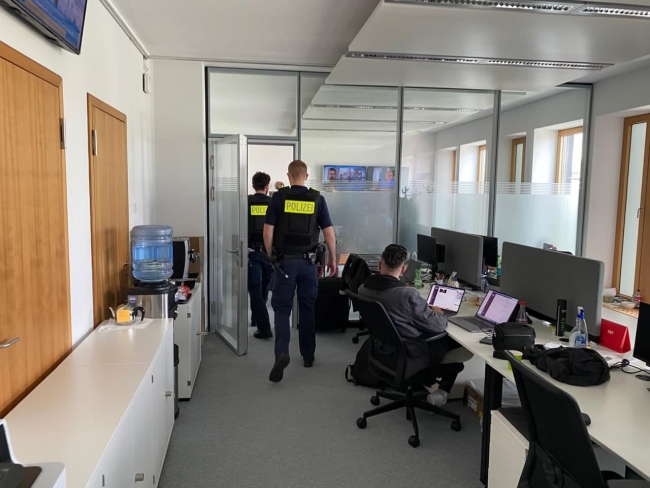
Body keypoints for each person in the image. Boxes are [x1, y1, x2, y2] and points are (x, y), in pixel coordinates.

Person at [358, 244, 473, 406]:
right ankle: (442, 393)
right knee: (464, 347)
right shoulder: (406, 295)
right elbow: (438, 326)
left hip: (382, 352)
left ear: (379, 264)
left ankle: (436, 391)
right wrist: (437, 312)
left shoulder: (363, 288)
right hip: (412, 356)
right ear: (403, 269)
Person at [263, 160, 338, 383]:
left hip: (285, 263)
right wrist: (333, 259)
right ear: (306, 176)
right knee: (307, 308)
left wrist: (271, 255)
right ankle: (308, 355)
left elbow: (268, 231)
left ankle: (281, 353)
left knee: (282, 309)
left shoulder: (279, 197)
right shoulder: (317, 199)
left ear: (289, 176)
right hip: (309, 264)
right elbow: (329, 233)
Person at [247, 172, 274, 339]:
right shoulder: (273, 203)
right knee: (264, 287)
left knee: (255, 289)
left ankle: (261, 323)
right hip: (268, 252)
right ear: (267, 186)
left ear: (253, 185)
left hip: (252, 252)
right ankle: (259, 320)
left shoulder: (246, 202)